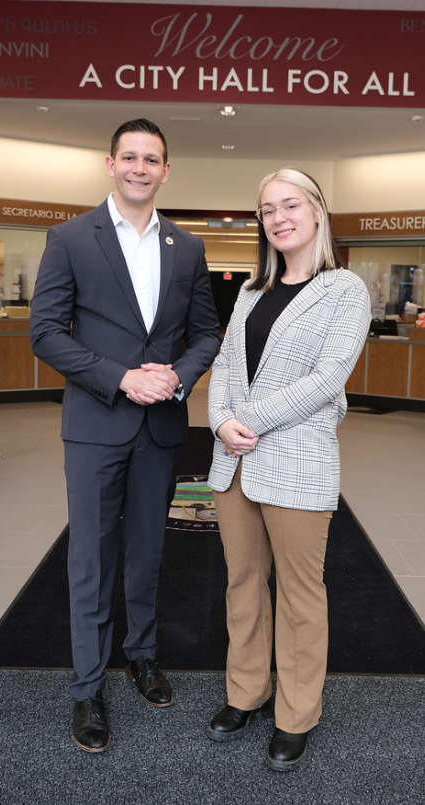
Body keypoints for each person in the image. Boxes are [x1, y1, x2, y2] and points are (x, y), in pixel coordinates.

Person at [30, 118, 220, 753]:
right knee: (92, 556)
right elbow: (47, 332)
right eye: (130, 157)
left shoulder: (187, 247)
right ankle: (87, 686)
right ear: (110, 163)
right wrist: (120, 378)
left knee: (149, 552)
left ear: (167, 170)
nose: (141, 168)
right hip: (94, 424)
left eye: (153, 159)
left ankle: (140, 656)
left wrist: (178, 376)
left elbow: (206, 335)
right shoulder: (69, 238)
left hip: (161, 427)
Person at [206, 168, 371, 771]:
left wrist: (248, 418)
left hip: (297, 462)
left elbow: (327, 380)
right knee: (242, 585)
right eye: (267, 209)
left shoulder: (345, 290)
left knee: (302, 596)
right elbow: (225, 365)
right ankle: (246, 692)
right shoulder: (251, 290)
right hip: (233, 461)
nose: (278, 218)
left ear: (318, 210)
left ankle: (296, 714)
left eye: (290, 205)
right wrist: (220, 419)